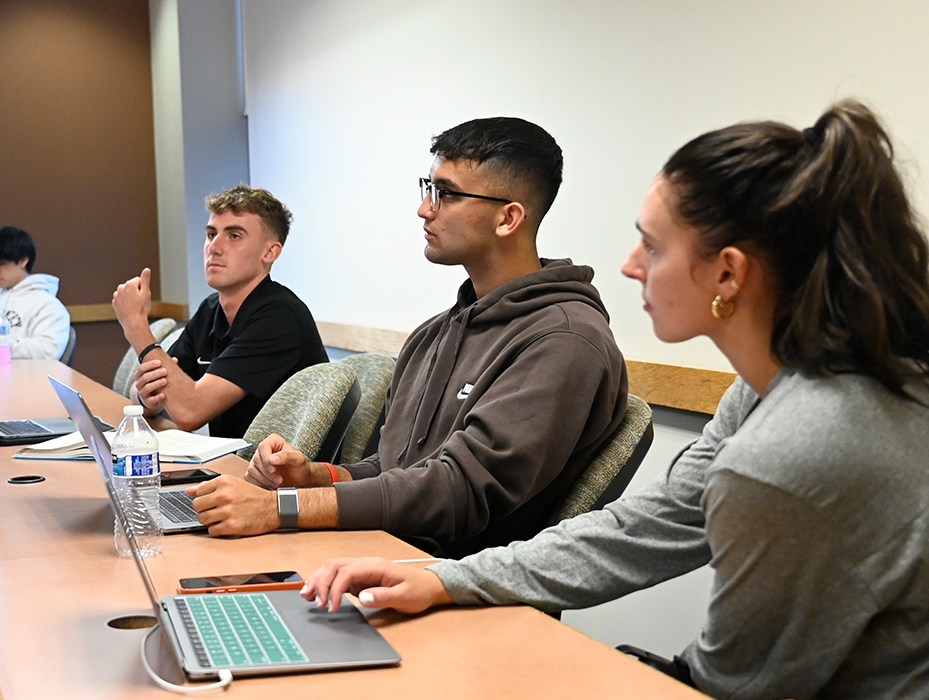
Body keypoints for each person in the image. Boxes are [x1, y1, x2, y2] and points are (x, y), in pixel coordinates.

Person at [299, 101, 929, 699]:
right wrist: (444, 580)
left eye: (651, 245)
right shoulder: (800, 380)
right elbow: (650, 524)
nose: (627, 265)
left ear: (729, 274)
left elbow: (727, 687)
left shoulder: (795, 450)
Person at [188, 118, 629, 558]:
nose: (425, 209)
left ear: (508, 218)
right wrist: (317, 477)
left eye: (447, 194)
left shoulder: (564, 341)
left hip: (457, 591)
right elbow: (393, 468)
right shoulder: (434, 334)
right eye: (428, 188)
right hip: (379, 557)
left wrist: (281, 507)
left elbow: (458, 492)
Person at [111, 184, 326, 438]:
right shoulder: (211, 309)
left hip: (275, 472)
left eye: (234, 236)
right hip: (231, 462)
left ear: (270, 252)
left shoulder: (279, 317)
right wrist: (147, 398)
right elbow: (158, 389)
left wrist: (135, 325)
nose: (214, 247)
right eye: (212, 234)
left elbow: (189, 411)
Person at [0, 226, 72, 360]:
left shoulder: (48, 306)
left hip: (30, 379)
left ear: (23, 261)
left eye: (2, 263)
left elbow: (48, 352)